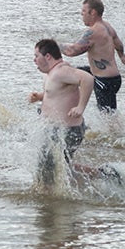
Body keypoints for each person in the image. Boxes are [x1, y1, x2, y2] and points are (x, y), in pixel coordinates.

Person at [29, 39, 98, 184]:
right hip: (56, 129)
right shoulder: (52, 73)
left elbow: (87, 79)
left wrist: (81, 107)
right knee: (58, 167)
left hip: (66, 131)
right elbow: (57, 94)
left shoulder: (61, 71)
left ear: (48, 56)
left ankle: (51, 198)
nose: (34, 60)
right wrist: (40, 97)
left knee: (48, 170)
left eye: (36, 56)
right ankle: (100, 176)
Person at [59, 0, 125, 113]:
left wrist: (55, 45)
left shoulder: (93, 32)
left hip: (105, 81)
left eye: (84, 11)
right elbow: (118, 43)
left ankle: (116, 131)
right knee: (67, 74)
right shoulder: (107, 26)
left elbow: (72, 51)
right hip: (109, 77)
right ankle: (61, 106)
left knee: (108, 118)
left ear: (93, 12)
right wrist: (122, 56)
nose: (81, 14)